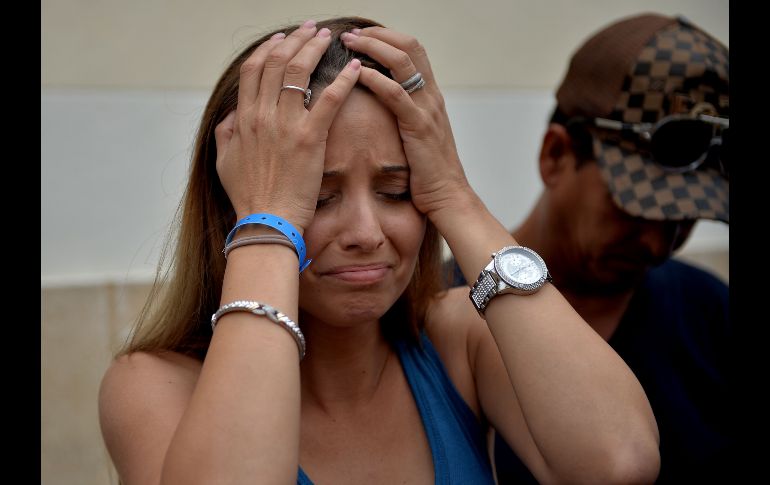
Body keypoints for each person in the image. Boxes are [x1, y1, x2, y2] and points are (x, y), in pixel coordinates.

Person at [98, 16, 661, 484]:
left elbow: (619, 461)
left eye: (396, 191)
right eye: (317, 198)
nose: (366, 233)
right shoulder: (152, 387)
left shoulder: (456, 337)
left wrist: (456, 196)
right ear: (238, 208)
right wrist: (268, 226)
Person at [448, 13, 731, 484]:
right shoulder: (433, 318)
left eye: (685, 220)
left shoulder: (711, 316)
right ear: (556, 155)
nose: (657, 244)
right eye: (635, 209)